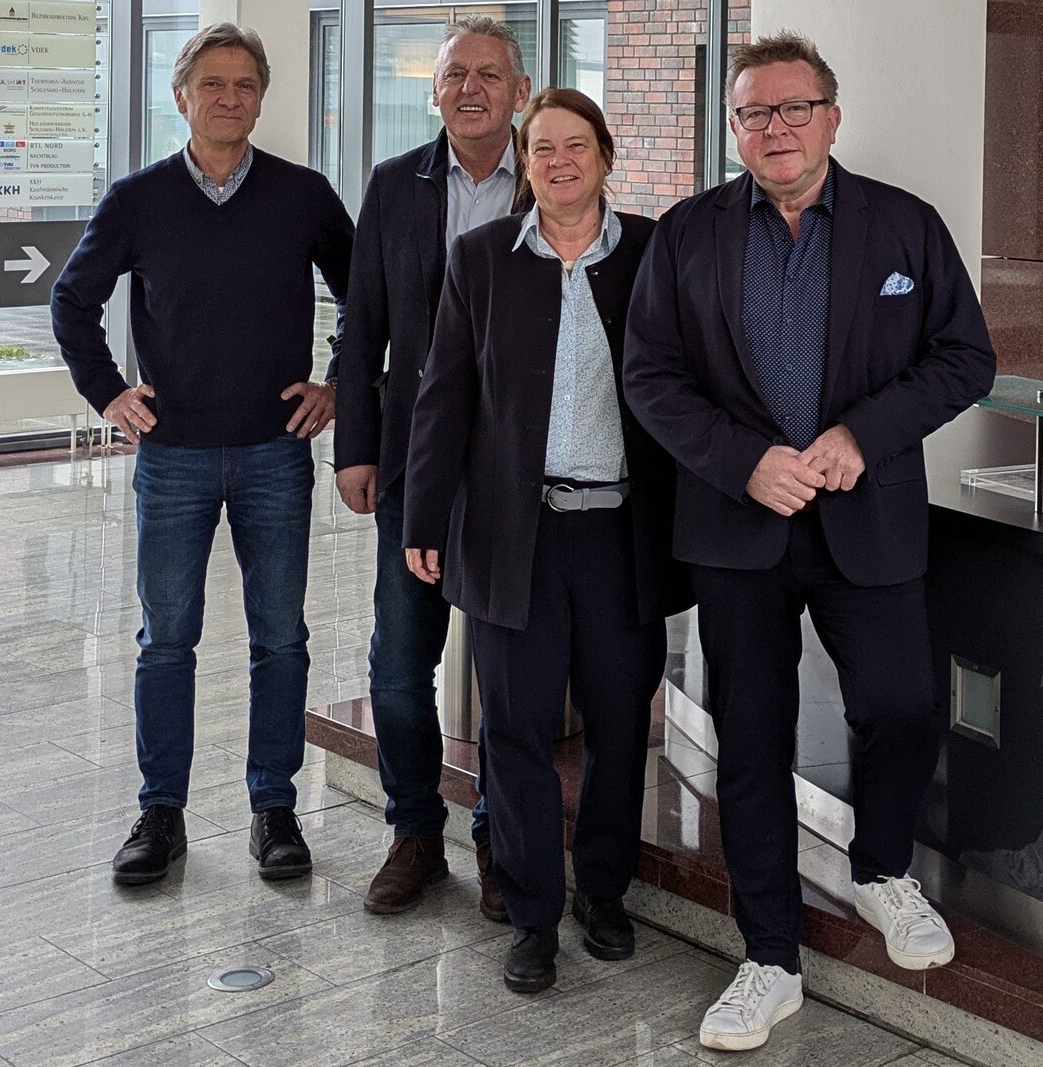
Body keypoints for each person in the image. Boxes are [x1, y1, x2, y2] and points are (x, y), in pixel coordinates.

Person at [622, 32, 996, 1051]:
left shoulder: (904, 228)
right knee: (751, 738)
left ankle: (878, 868)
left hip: (865, 519)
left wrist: (858, 437)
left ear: (831, 117)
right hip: (736, 525)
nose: (775, 128)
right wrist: (743, 459)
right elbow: (650, 376)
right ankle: (768, 955)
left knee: (901, 705)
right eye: (754, 113)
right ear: (734, 128)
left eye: (794, 108)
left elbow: (966, 358)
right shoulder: (688, 234)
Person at [404, 87, 691, 994]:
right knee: (516, 731)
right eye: (540, 149)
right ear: (524, 165)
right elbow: (445, 395)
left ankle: (603, 891)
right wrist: (423, 517)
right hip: (511, 536)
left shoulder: (653, 253)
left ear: (606, 155)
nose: (557, 161)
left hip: (620, 534)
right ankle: (530, 912)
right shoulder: (482, 257)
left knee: (616, 723)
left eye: (575, 145)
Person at [52, 23, 352, 886]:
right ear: (181, 96)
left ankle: (274, 807)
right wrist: (108, 390)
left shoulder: (302, 195)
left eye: (246, 85)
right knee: (165, 641)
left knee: (281, 640)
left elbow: (365, 292)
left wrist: (335, 381)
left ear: (262, 96)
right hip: (174, 455)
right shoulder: (138, 200)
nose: (230, 99)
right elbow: (73, 301)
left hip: (274, 453)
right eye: (213, 84)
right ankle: (161, 812)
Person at [333, 15, 531, 920]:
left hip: (521, 473)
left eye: (489, 74)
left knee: (504, 669)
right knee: (400, 662)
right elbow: (361, 325)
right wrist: (356, 448)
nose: (471, 89)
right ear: (435, 91)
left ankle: (496, 836)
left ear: (519, 90)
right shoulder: (394, 185)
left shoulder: (556, 178)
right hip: (414, 463)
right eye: (455, 75)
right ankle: (416, 831)